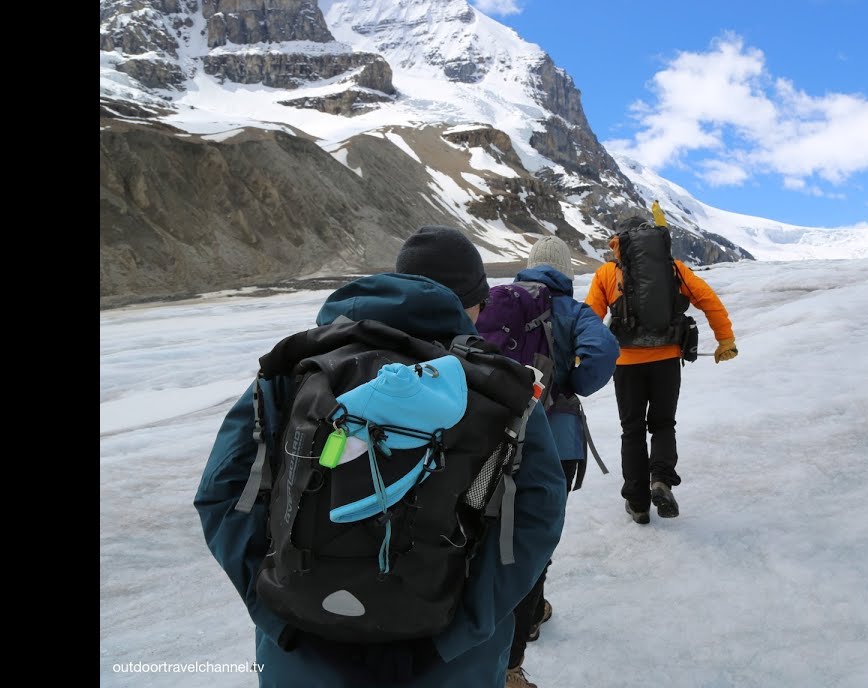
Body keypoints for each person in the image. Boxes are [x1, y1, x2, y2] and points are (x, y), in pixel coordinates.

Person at [194, 225, 568, 687]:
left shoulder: (296, 371)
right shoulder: (500, 389)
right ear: (473, 302)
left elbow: (223, 493)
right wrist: (465, 628)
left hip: (304, 646)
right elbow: (536, 516)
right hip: (447, 658)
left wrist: (275, 611)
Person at [503, 235, 619, 688]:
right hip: (555, 443)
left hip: (492, 438)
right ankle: (515, 654)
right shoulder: (573, 311)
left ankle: (516, 618)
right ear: (566, 273)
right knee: (537, 536)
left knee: (494, 535)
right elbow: (603, 351)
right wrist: (571, 383)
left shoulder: (497, 301)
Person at [584, 217, 739, 525]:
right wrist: (725, 339)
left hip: (626, 363)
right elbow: (708, 300)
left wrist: (581, 356)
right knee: (663, 424)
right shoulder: (674, 268)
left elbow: (590, 319)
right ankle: (662, 481)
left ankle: (638, 504)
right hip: (667, 360)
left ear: (620, 242)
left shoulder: (606, 273)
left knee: (633, 430)